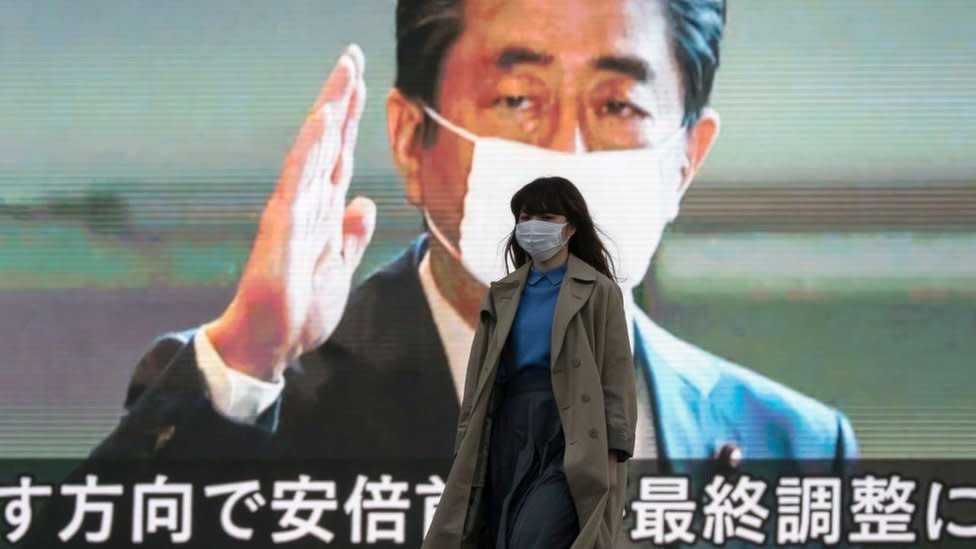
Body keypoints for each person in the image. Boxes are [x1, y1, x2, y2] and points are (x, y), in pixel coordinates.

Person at [93, 0, 857, 473]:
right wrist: (246, 361)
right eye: (519, 98)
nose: (568, 154)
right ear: (409, 137)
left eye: (617, 105)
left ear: (685, 161)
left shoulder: (793, 448)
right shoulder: (256, 405)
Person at [422, 176, 637, 548]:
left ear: (570, 227)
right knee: (501, 531)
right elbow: (479, 380)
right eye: (525, 217)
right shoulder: (502, 295)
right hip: (510, 426)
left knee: (537, 534)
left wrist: (615, 455)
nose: (533, 226)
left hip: (571, 429)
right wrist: (465, 447)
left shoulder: (599, 291)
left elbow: (616, 378)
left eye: (547, 217)